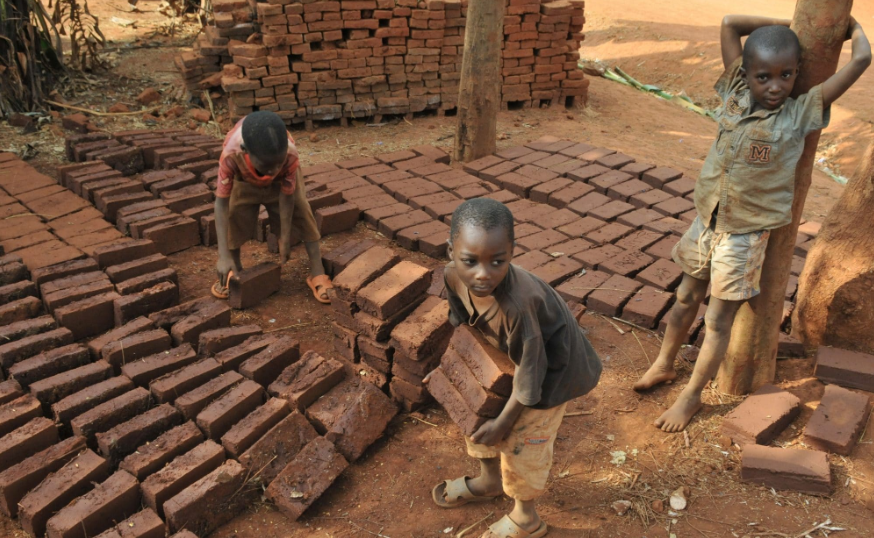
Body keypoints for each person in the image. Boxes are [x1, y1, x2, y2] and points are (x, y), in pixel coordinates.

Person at [633, 14, 871, 432]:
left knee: (717, 321)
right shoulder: (734, 91)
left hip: (743, 237)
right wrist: (787, 25)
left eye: (786, 75)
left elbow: (861, 59)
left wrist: (848, 26)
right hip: (707, 220)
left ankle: (691, 398)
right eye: (764, 77)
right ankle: (664, 364)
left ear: (797, 73)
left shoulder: (799, 114)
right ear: (745, 75)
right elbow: (729, 24)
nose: (776, 86)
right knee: (685, 298)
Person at [426, 198, 602, 538]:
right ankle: (490, 481)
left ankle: (526, 518)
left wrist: (504, 423)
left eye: (497, 261)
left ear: (511, 253)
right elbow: (460, 321)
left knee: (524, 441)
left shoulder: (517, 306)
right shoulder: (451, 276)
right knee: (477, 409)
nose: (483, 274)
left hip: (553, 374)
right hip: (508, 361)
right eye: (470, 261)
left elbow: (531, 376)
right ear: (451, 252)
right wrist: (460, 373)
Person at [210, 110, 333, 304]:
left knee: (301, 210)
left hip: (282, 184)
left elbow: (287, 197)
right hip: (244, 179)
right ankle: (234, 267)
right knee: (235, 214)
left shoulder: (289, 154)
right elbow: (221, 204)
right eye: (267, 165)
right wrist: (222, 255)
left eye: (278, 163)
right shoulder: (231, 154)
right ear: (246, 151)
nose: (274, 170)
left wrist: (284, 236)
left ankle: (317, 270)